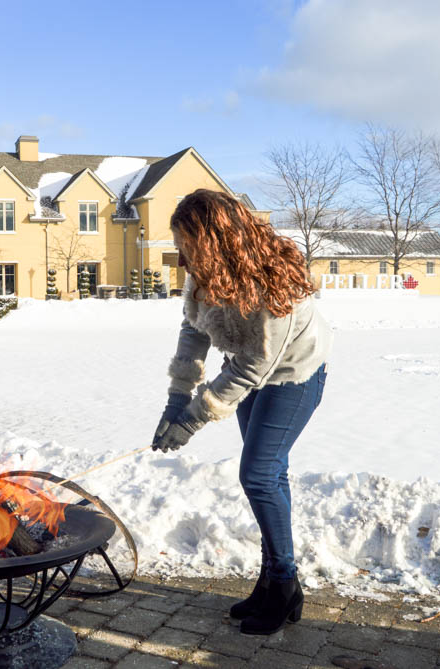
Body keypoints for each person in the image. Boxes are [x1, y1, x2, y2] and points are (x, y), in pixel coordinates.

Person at [152, 188, 332, 636]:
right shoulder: (204, 270)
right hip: (249, 371)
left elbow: (257, 363)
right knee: (270, 474)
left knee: (257, 474)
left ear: (213, 241)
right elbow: (192, 330)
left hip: (293, 374)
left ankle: (286, 583)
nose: (181, 256)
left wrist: (191, 420)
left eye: (186, 246)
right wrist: (175, 401)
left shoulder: (274, 284)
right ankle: (272, 579)